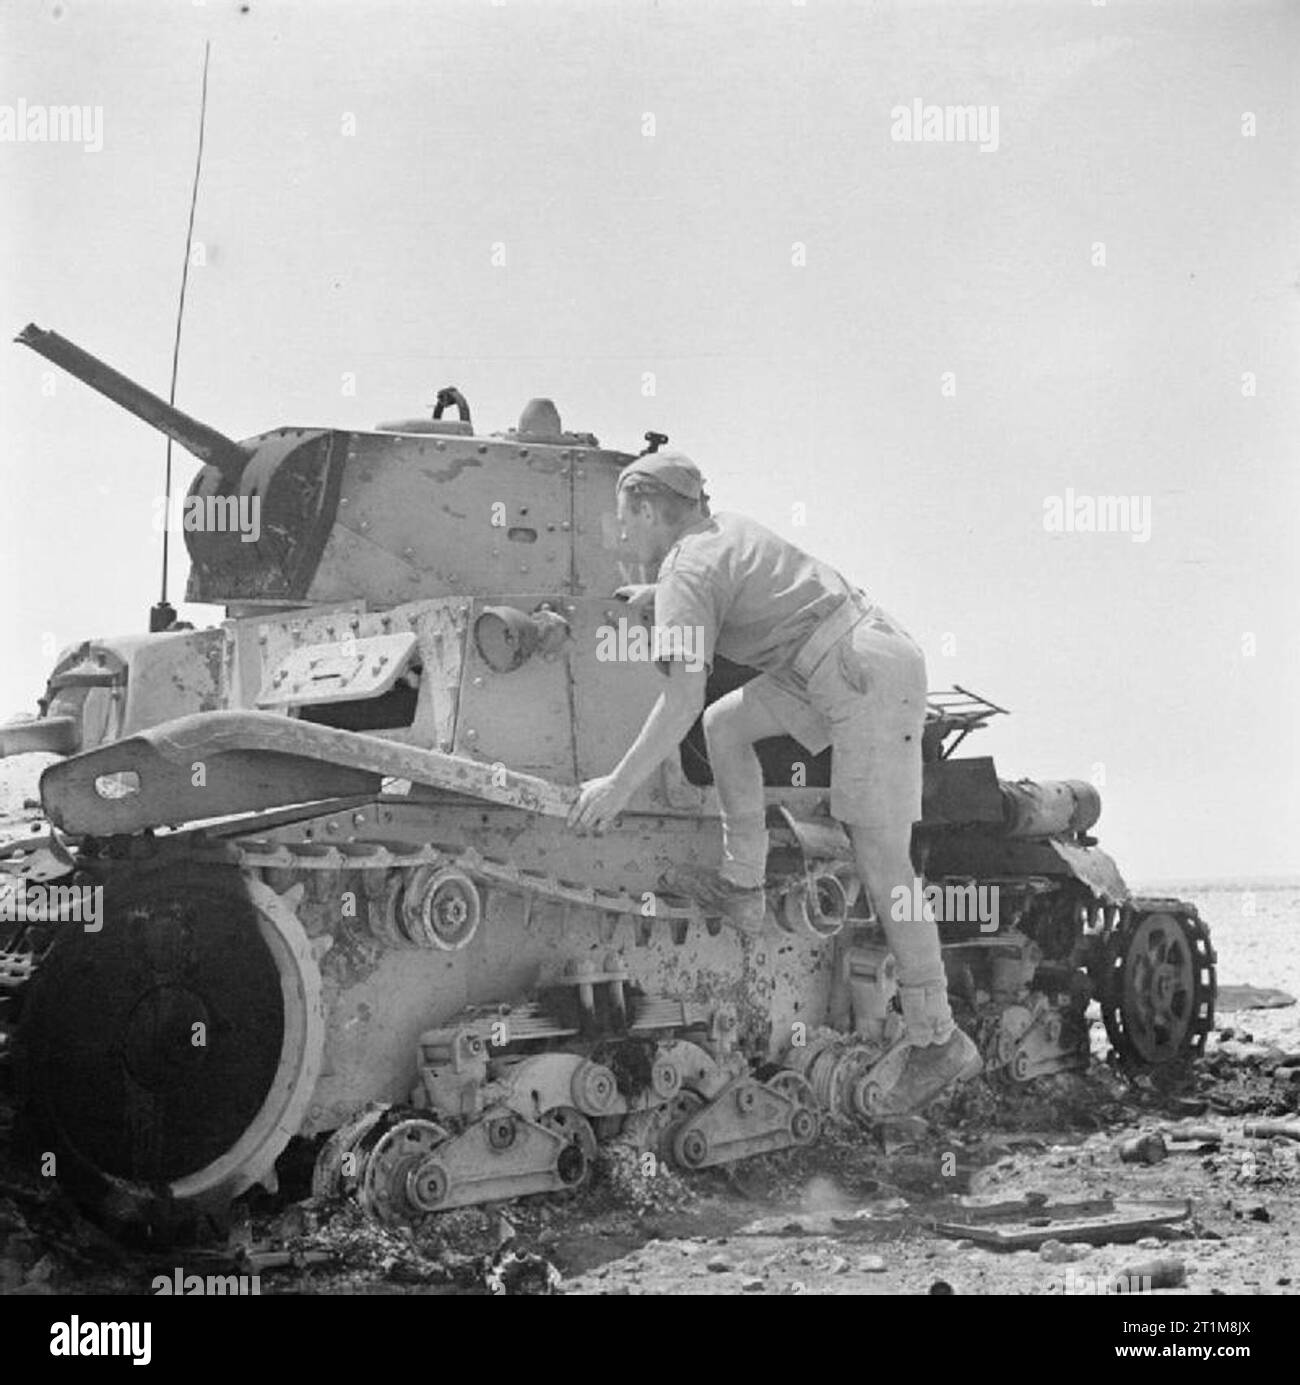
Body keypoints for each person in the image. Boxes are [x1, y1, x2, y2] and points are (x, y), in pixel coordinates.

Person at [567, 450, 981, 1114]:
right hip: (834, 657)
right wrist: (659, 599)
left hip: (858, 671)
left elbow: (677, 700)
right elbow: (734, 589)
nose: (624, 535)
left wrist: (615, 788)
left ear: (648, 510)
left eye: (627, 520)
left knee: (883, 860)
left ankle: (938, 1037)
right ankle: (743, 886)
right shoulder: (717, 534)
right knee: (727, 724)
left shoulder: (686, 570)